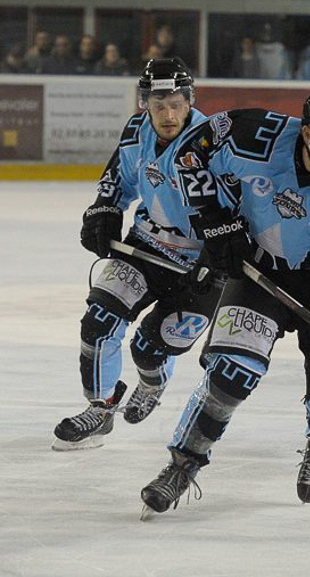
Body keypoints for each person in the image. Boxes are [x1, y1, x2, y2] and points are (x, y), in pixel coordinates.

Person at [140, 82, 310, 514]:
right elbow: (188, 154)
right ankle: (183, 463)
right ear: (309, 133)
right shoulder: (254, 134)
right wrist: (217, 221)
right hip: (259, 269)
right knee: (230, 374)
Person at [52, 58, 224, 450]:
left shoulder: (213, 142)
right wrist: (105, 210)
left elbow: (244, 205)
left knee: (148, 349)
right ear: (145, 103)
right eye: (158, 104)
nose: (167, 114)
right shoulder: (136, 131)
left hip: (203, 264)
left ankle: (150, 382)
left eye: (176, 104)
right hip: (146, 246)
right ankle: (101, 407)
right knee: (99, 320)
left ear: (190, 101)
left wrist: (220, 258)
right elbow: (116, 182)